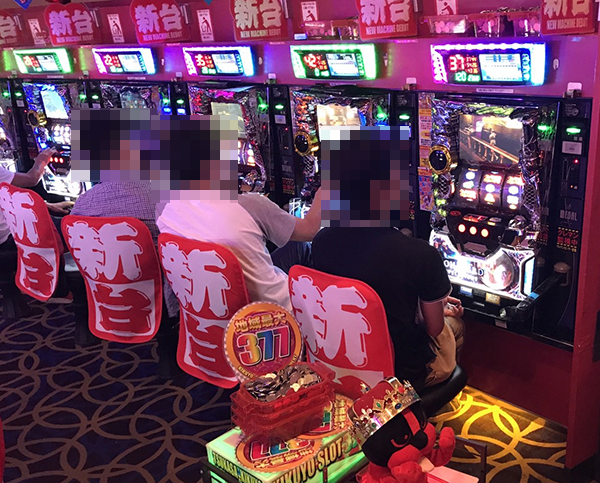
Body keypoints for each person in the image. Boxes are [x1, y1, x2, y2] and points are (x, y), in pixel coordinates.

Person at [311, 125, 464, 391]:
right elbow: (433, 328)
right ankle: (421, 405)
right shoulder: (421, 254)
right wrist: (435, 306)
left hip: (337, 363)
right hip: (398, 375)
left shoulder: (321, 241)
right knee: (456, 324)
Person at [158, 189, 321, 311]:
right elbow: (310, 230)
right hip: (271, 313)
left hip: (214, 309)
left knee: (298, 247)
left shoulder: (167, 208)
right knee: (316, 247)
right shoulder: (250, 205)